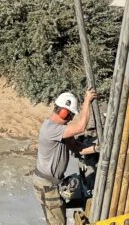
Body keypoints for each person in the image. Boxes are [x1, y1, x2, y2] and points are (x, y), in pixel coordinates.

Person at [34, 89, 98, 225]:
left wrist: (97, 148)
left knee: (59, 217)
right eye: (70, 115)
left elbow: (76, 148)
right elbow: (81, 127)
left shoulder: (61, 131)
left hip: (52, 184)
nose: (70, 119)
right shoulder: (50, 129)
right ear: (63, 112)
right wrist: (87, 101)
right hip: (47, 186)